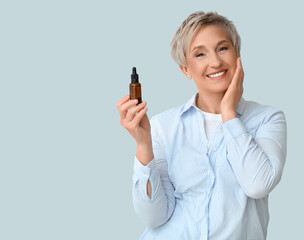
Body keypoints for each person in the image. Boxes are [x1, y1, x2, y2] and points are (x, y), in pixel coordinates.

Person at [116, 11, 287, 240]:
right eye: (200, 54)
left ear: (238, 55)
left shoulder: (268, 119)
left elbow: (257, 185)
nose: (215, 62)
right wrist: (143, 143)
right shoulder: (163, 126)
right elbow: (154, 217)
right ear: (185, 69)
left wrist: (228, 113)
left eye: (223, 48)